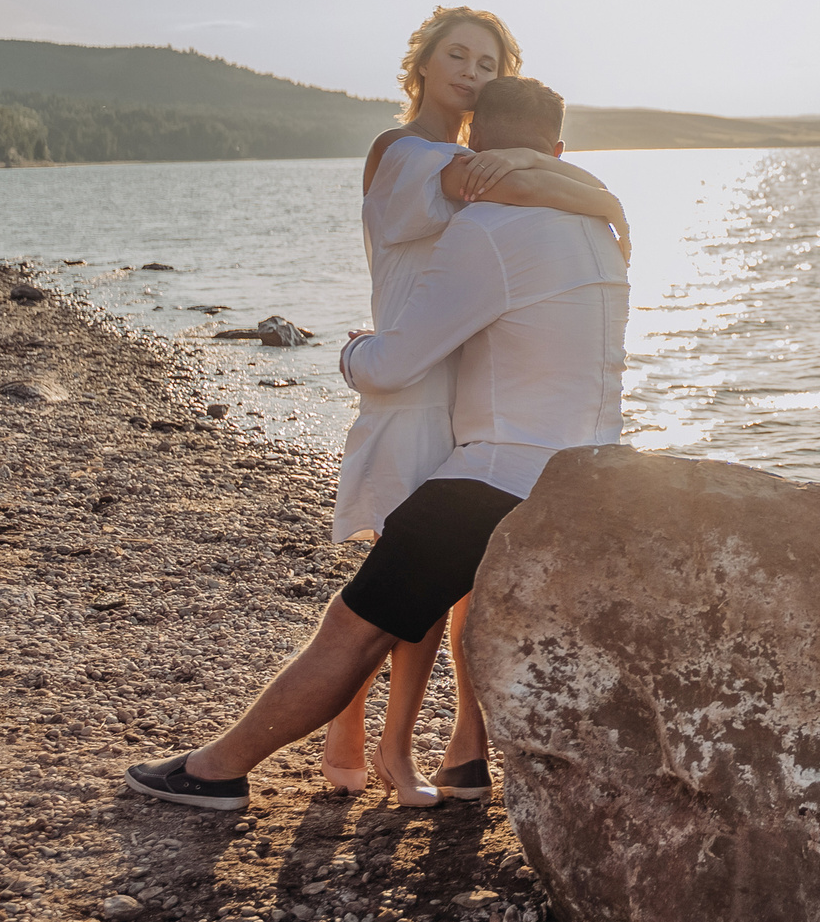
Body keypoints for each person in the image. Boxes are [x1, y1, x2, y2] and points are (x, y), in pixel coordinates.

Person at [125, 75, 630, 811]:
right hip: (589, 479)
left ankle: (217, 770)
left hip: (492, 481)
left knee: (352, 631)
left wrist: (352, 350)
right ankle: (458, 763)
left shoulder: (487, 227)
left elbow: (395, 363)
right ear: (555, 151)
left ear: (477, 145)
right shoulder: (601, 233)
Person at [321, 7, 628, 809]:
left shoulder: (477, 158)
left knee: (451, 583)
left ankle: (431, 745)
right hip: (410, 381)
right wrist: (606, 200)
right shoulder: (407, 155)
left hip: (461, 378)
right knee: (389, 584)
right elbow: (518, 179)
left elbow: (519, 187)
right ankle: (354, 734)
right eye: (455, 54)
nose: (468, 70)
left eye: (486, 63)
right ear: (421, 63)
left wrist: (586, 194)